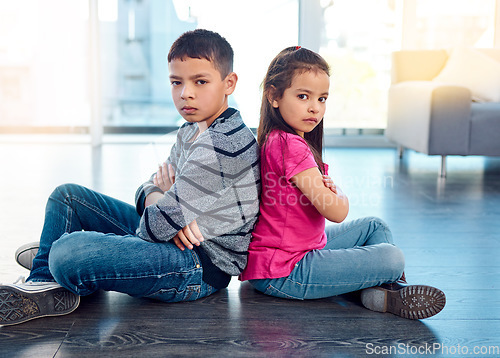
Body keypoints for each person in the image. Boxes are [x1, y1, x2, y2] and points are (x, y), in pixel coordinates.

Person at [0, 29, 260, 326]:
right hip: (173, 241)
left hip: (198, 266)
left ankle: (57, 261)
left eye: (200, 81)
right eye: (177, 82)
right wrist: (160, 196)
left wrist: (165, 204)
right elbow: (154, 187)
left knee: (65, 252)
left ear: (229, 83)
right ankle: (44, 283)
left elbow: (155, 226)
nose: (185, 93)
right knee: (67, 196)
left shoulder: (223, 143)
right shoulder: (191, 129)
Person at [239, 46, 446, 320]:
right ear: (273, 96)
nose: (315, 107)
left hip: (291, 255)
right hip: (287, 272)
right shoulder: (291, 147)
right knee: (392, 258)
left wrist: (326, 192)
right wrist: (340, 195)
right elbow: (336, 212)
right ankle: (385, 290)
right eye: (303, 96)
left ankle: (384, 292)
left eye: (322, 98)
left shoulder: (277, 140)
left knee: (375, 226)